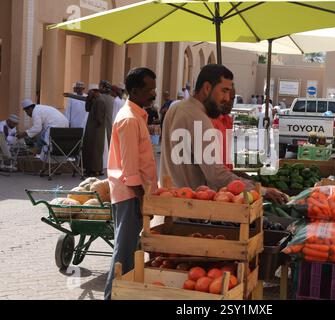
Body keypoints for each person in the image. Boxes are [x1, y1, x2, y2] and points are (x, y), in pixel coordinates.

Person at [160, 64, 287, 204]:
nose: (227, 98)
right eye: (224, 91)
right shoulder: (198, 118)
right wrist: (261, 191)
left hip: (170, 200)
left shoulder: (177, 107)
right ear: (207, 88)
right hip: (190, 207)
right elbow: (216, 174)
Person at [104, 67, 159, 300]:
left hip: (135, 194)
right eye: (149, 90)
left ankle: (123, 294)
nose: (153, 94)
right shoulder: (128, 119)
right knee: (124, 252)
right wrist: (141, 198)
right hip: (130, 195)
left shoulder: (137, 116)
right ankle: (111, 295)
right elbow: (130, 171)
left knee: (129, 251)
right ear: (135, 91)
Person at [82, 84, 107, 177]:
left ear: (95, 91)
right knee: (89, 149)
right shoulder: (95, 100)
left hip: (96, 130)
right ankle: (89, 169)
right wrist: (89, 99)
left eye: (91, 92)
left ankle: (95, 170)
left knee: (95, 150)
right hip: (92, 129)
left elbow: (99, 119)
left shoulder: (100, 101)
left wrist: (94, 126)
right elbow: (87, 109)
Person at [211, 84, 235, 170]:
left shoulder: (228, 120)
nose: (230, 102)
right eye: (226, 98)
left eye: (233, 99)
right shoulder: (211, 122)